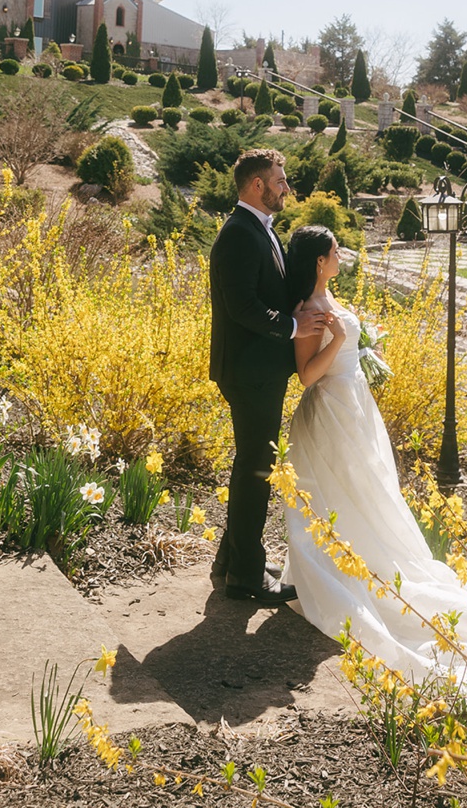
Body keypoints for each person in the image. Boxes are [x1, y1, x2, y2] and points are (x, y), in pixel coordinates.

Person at [279, 225, 467, 700]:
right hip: (329, 413)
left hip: (354, 408)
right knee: (342, 494)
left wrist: (360, 344)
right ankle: (337, 569)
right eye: (334, 252)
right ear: (318, 262)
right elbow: (308, 376)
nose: (340, 257)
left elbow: (344, 349)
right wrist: (339, 340)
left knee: (371, 496)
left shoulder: (327, 299)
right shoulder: (307, 311)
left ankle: (366, 556)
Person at [208, 148, 330, 604]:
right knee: (256, 469)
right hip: (249, 370)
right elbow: (242, 308)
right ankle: (244, 576)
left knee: (251, 465)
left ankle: (234, 560)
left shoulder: (259, 230)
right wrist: (296, 327)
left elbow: (268, 292)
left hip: (257, 368)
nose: (286, 187)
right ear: (257, 184)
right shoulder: (240, 234)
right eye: (280, 180)